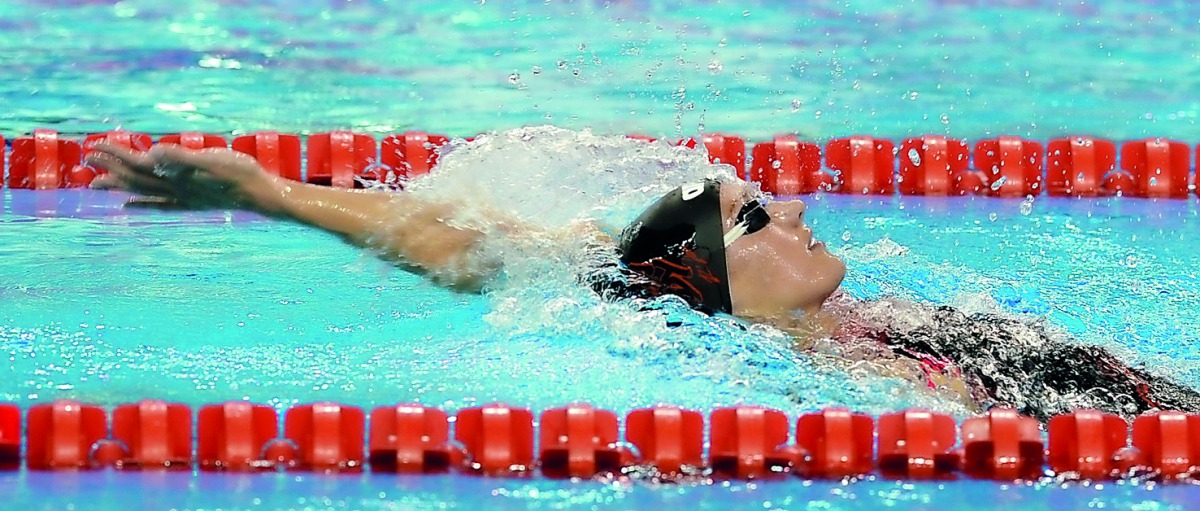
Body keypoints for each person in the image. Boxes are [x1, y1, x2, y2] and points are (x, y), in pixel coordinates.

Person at [85, 138, 1200, 422]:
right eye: (758, 215)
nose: (800, 208)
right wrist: (265, 196)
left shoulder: (881, 325)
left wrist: (278, 188)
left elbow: (485, 234)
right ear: (703, 281)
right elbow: (473, 259)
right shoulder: (823, 388)